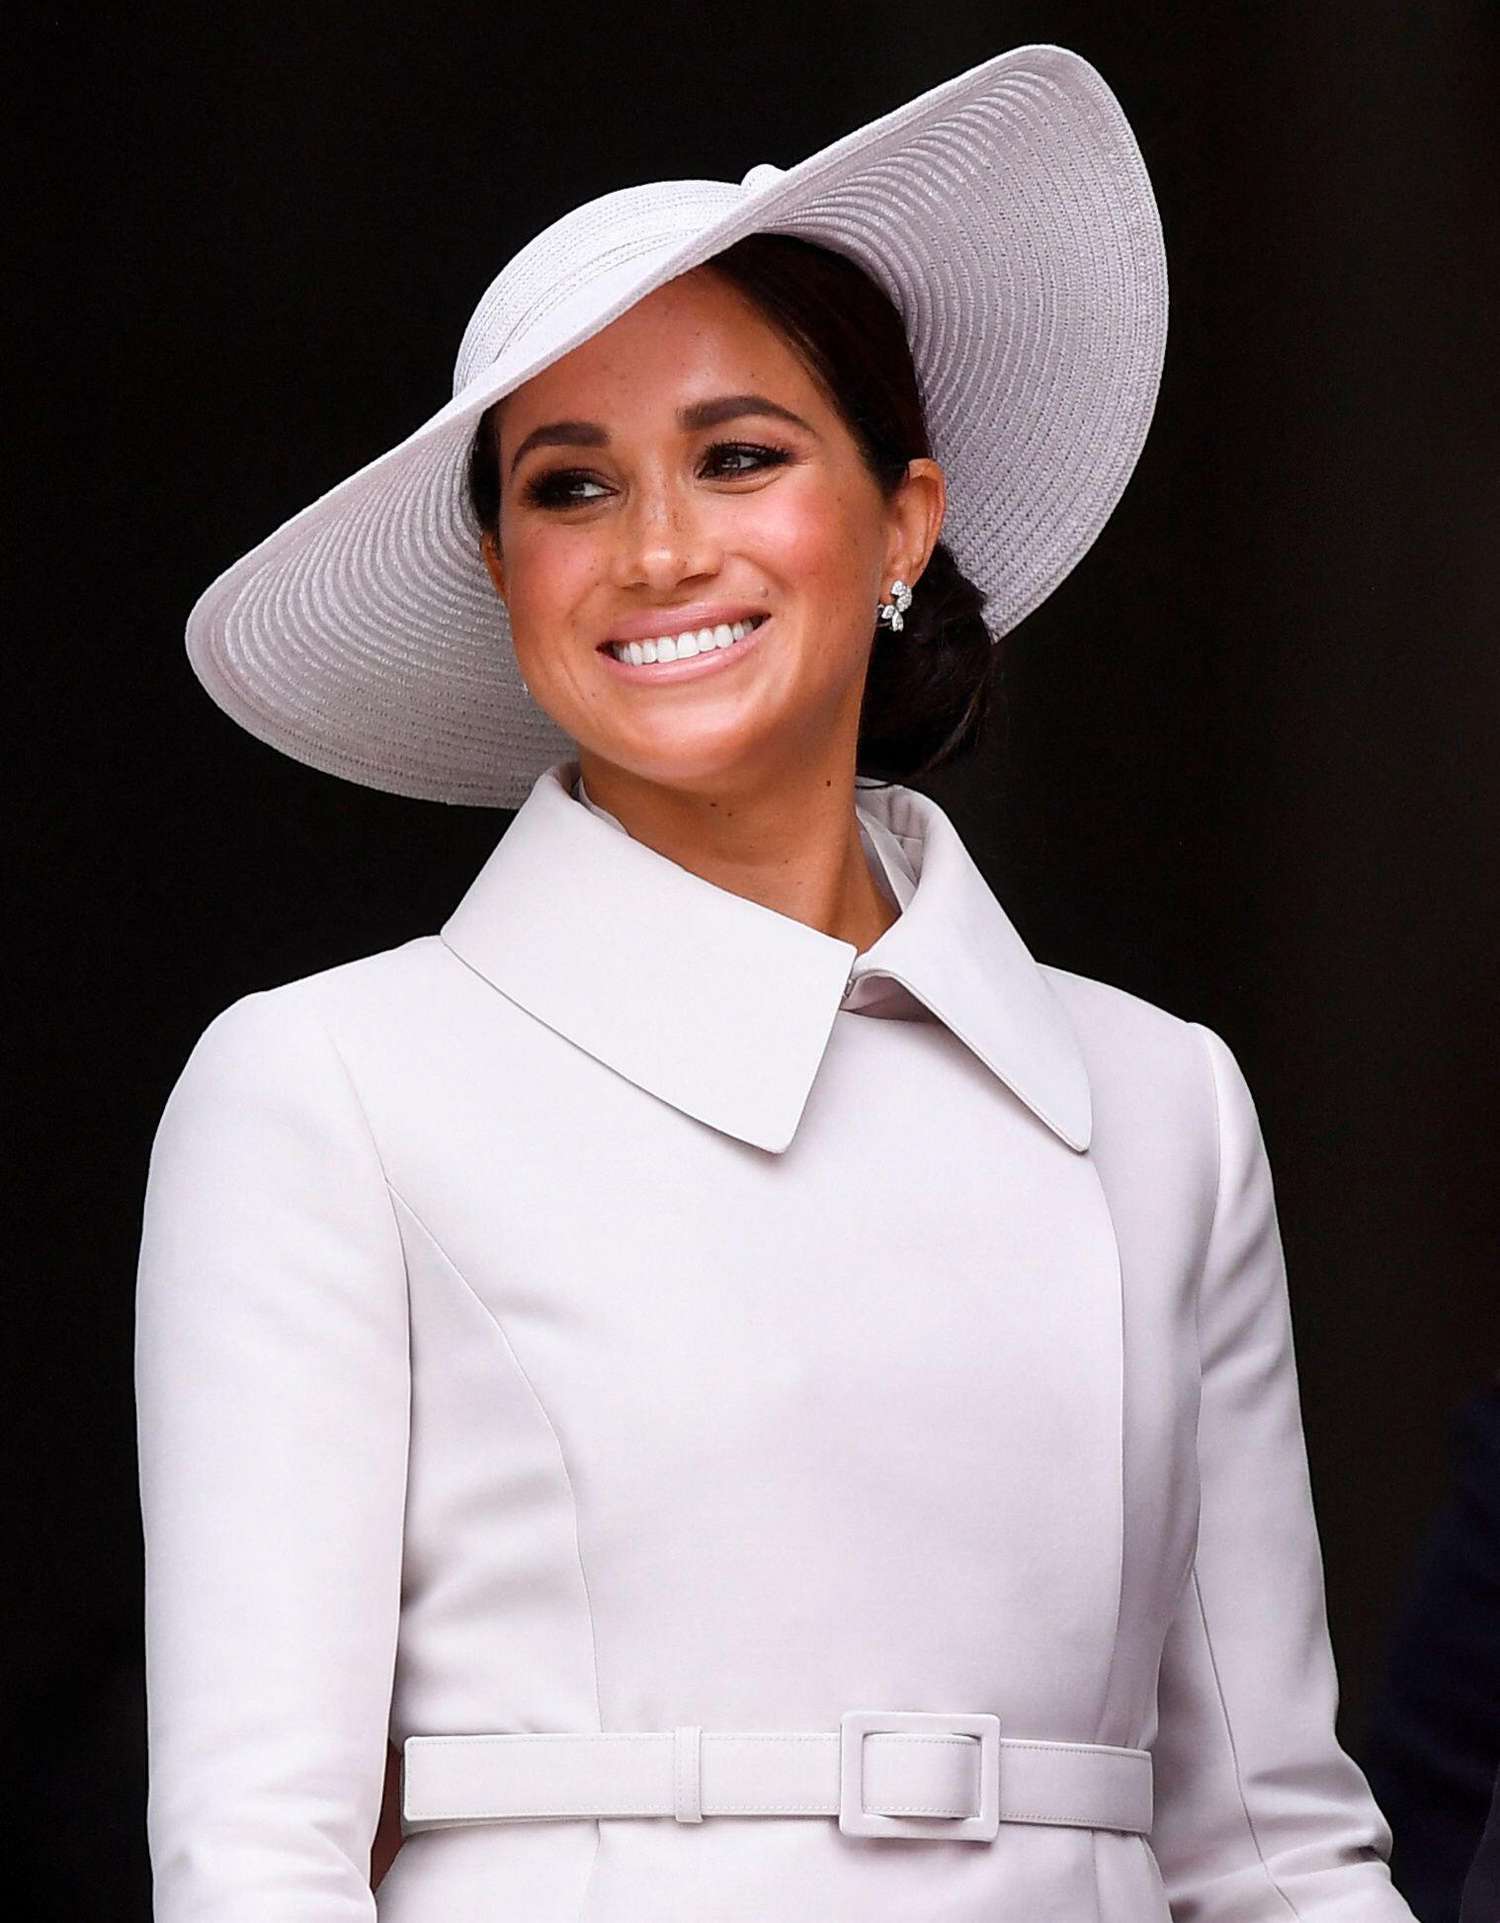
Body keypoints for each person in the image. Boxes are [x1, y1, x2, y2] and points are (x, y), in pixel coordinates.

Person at [133, 42, 1419, 1922]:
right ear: (505, 571)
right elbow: (258, 1857)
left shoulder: (1161, 1103)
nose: (661, 552)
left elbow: (1281, 1850)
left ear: (905, 522)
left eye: (740, 457)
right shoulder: (325, 1088)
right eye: (573, 487)